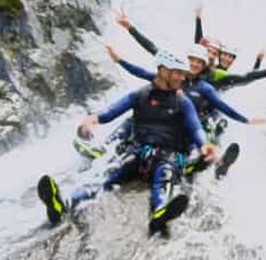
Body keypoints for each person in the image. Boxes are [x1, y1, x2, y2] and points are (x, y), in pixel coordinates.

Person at [38, 50, 218, 235]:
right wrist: (93, 118)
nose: (182, 77)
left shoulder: (183, 102)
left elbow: (195, 127)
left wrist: (204, 145)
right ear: (163, 70)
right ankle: (63, 205)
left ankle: (160, 213)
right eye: (178, 72)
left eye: (183, 73)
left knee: (164, 176)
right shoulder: (139, 95)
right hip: (138, 153)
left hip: (168, 156)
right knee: (105, 178)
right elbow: (111, 111)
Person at [104, 42, 266, 178]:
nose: (224, 57)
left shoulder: (215, 78)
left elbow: (246, 79)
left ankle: (215, 163)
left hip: (202, 115)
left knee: (213, 125)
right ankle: (109, 145)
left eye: (214, 52)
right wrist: (120, 59)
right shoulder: (177, 75)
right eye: (212, 51)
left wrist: (246, 119)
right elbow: (147, 67)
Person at [116, 8, 266, 90]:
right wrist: (130, 28)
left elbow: (245, 78)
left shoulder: (216, 75)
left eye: (214, 54)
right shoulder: (182, 64)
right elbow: (153, 49)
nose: (210, 56)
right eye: (207, 53)